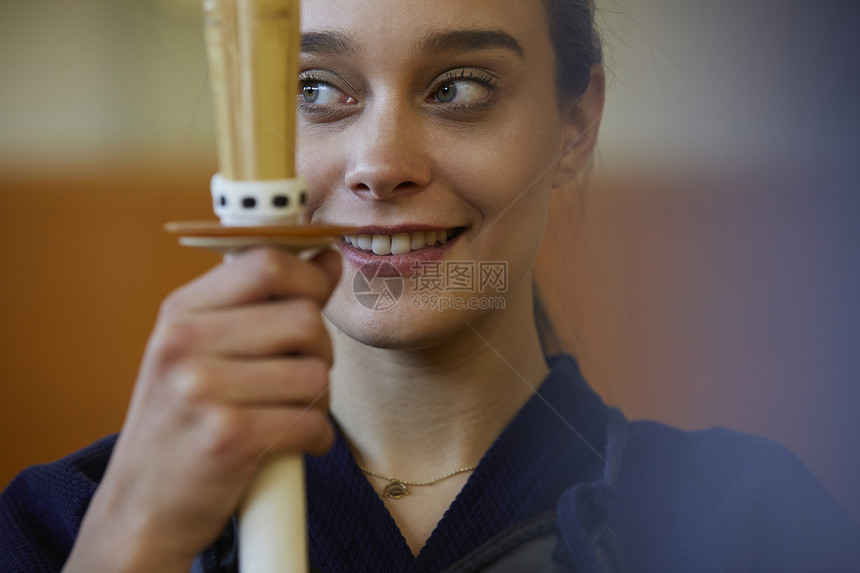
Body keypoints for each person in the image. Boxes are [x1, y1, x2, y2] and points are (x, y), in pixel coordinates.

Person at [2, 1, 859, 571]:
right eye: (315, 89)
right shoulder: (62, 525)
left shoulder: (750, 523)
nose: (381, 165)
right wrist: (129, 541)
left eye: (458, 88)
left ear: (575, 124)